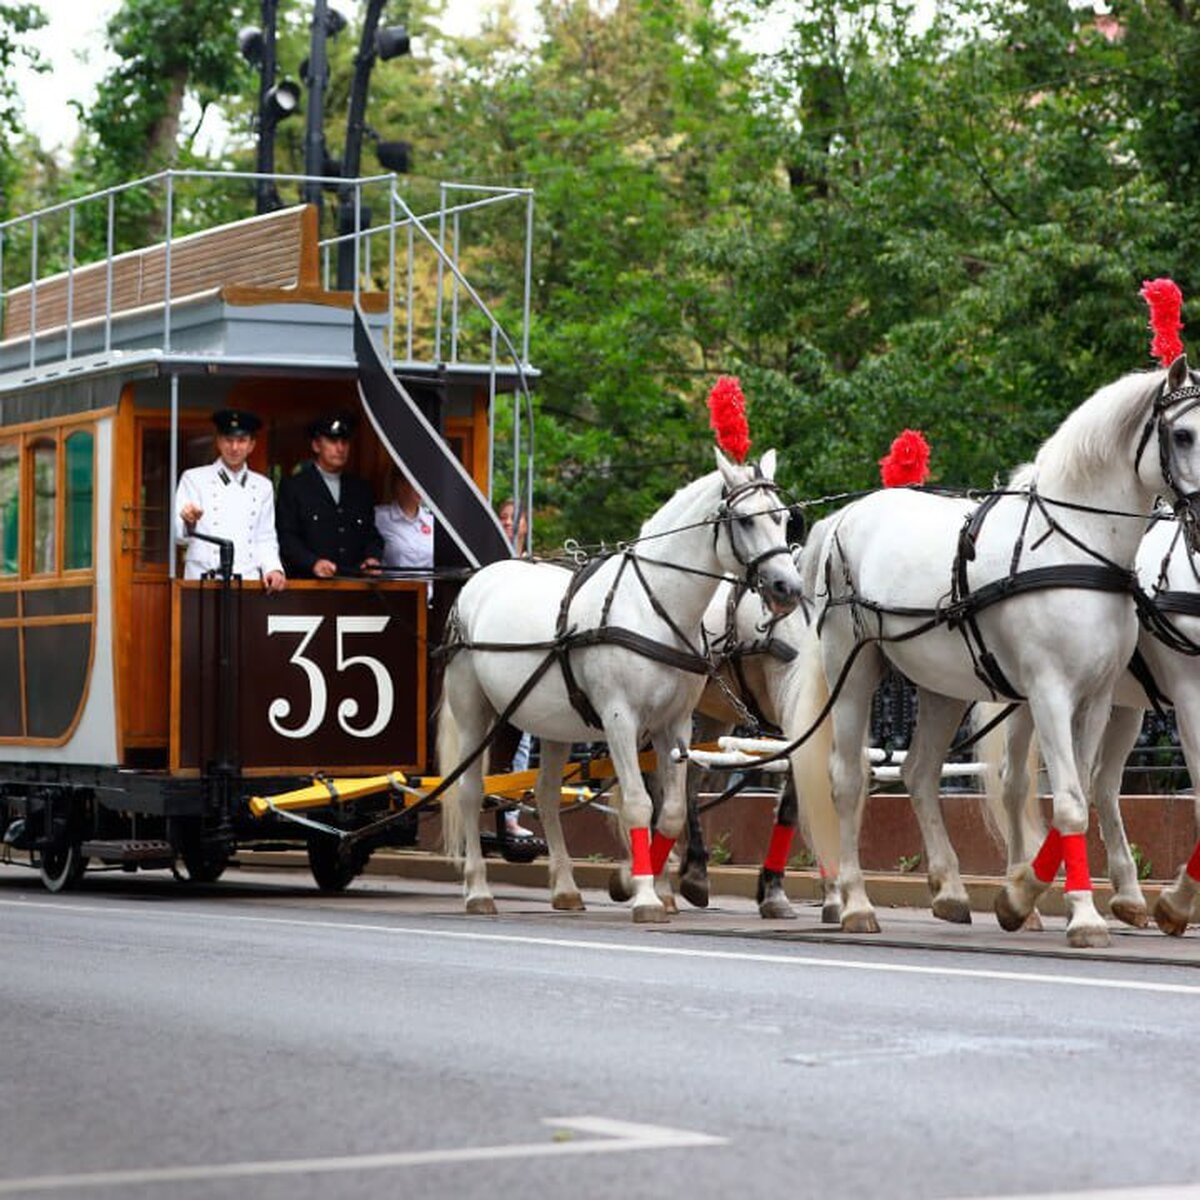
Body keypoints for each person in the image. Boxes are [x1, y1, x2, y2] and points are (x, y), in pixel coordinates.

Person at [175, 408, 286, 591]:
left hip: (247, 580)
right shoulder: (193, 479)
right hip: (202, 580)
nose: (234, 447)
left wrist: (274, 569)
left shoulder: (263, 486)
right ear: (218, 442)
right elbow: (178, 537)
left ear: (251, 445)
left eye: (241, 441)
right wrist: (189, 522)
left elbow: (265, 537)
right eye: (228, 440)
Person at [276, 412, 383, 579]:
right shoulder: (295, 487)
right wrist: (313, 563)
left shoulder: (361, 489)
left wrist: (372, 557)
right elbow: (287, 537)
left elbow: (371, 535)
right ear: (316, 446)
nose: (340, 448)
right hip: (308, 586)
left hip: (354, 585)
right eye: (333, 441)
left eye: (344, 442)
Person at [376, 466, 434, 569]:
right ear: (400, 484)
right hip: (393, 584)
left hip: (427, 585)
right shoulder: (379, 517)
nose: (421, 488)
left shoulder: (431, 521)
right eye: (416, 482)